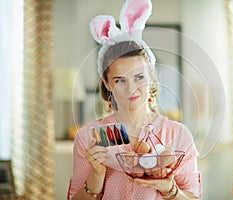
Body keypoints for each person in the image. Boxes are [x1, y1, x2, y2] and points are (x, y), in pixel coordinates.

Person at [68, 0, 202, 199]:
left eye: (139, 77)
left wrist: (168, 188)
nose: (132, 89)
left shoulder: (177, 135)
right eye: (120, 80)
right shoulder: (88, 137)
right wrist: (97, 175)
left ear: (152, 76)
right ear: (107, 83)